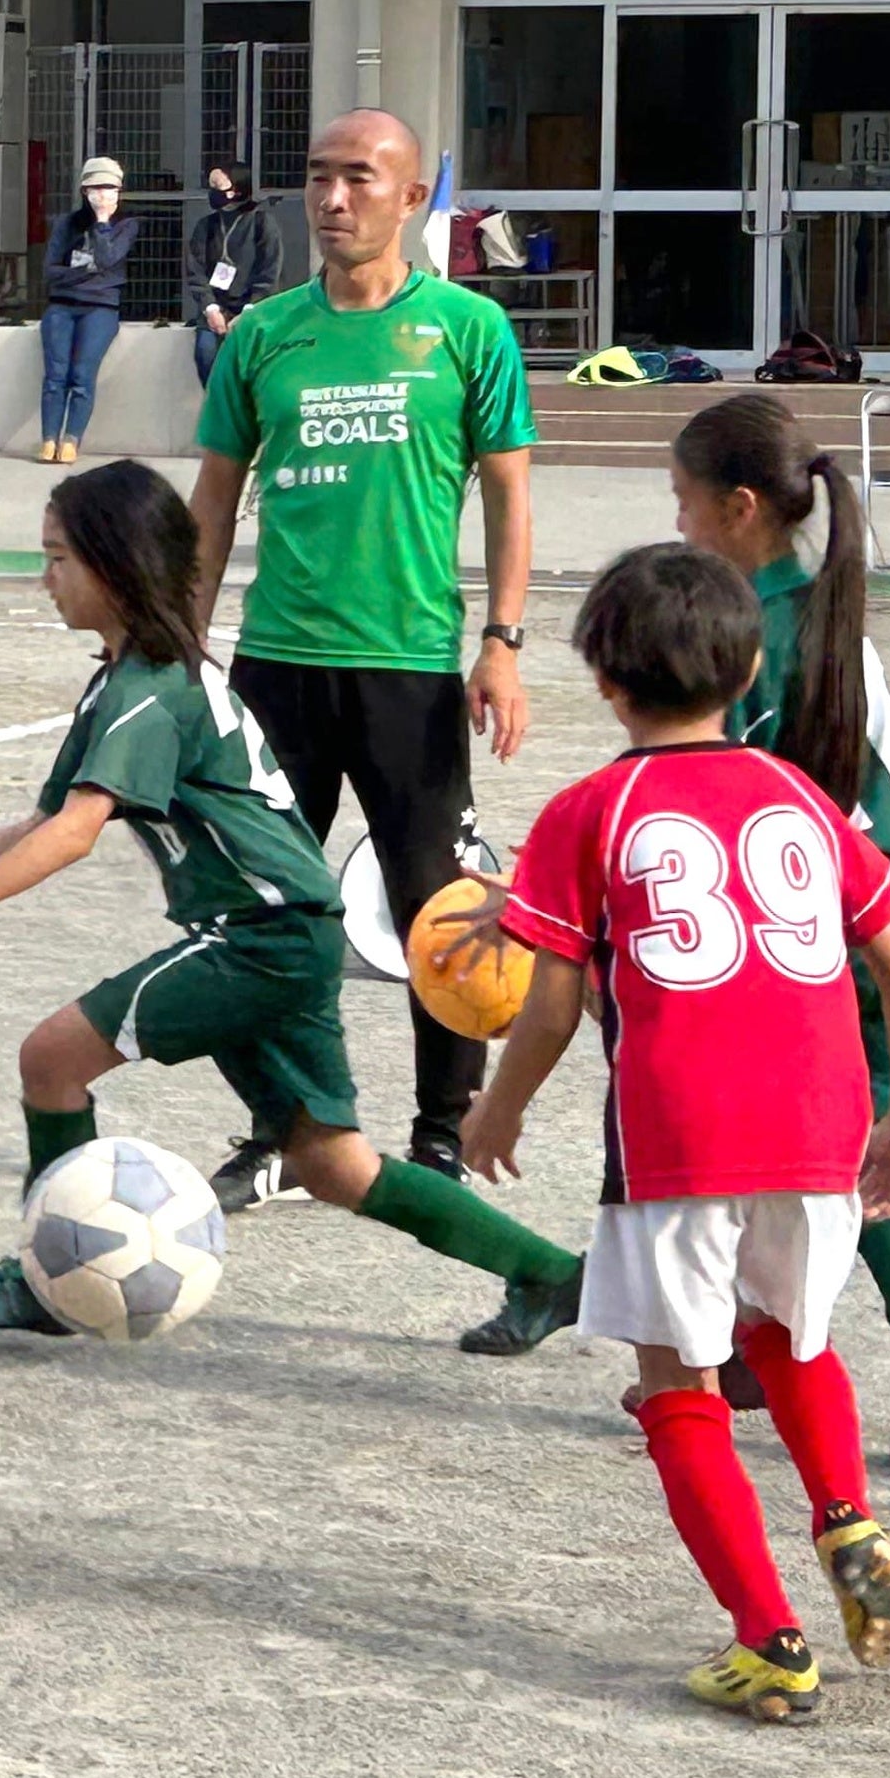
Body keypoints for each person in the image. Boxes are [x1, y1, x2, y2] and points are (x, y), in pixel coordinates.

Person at [0, 461, 582, 1351]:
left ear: (115, 566)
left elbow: (74, 834)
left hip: (257, 936)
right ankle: (549, 1272)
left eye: (58, 558)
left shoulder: (148, 689)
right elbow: (49, 819)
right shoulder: (134, 676)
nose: (44, 578)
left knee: (50, 1059)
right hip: (290, 930)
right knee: (331, 1162)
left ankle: (46, 1282)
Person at [461, 541, 890, 1726]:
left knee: (677, 1380)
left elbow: (554, 1006)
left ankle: (770, 1641)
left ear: (603, 679)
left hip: (680, 1137)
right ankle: (846, 1517)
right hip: (818, 1124)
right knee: (790, 1332)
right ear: (750, 668)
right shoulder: (801, 797)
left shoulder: (590, 810)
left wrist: (498, 1106)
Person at [187, 108, 535, 1222]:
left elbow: (509, 493)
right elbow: (213, 498)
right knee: (272, 910)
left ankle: (441, 1134)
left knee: (440, 910)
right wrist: (183, 645)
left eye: (360, 179)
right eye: (317, 177)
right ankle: (289, 1132)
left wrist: (502, 641)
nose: (333, 200)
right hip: (277, 665)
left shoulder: (469, 329)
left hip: (410, 668)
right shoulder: (264, 335)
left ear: (412, 197)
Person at [671, 392, 890, 1485]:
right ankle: (747, 1356)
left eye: (685, 502)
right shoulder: (826, 607)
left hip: (836, 932)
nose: (678, 524)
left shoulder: (745, 642)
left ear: (741, 507)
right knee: (806, 1161)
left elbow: (731, 809)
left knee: (855, 1179)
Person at [34, 156, 139, 463]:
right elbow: (50, 271)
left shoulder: (126, 225)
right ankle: (48, 439)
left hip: (100, 308)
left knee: (82, 375)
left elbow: (108, 259)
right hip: (61, 306)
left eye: (110, 188)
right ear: (84, 191)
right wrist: (86, 272)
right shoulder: (67, 224)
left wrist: (103, 222)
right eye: (96, 188)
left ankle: (71, 439)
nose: (102, 194)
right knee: (55, 375)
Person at [187, 160, 278, 387]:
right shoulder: (206, 225)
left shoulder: (261, 222)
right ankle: (217, 402)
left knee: (250, 363)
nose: (213, 193)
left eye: (219, 187)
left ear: (236, 189)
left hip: (251, 308)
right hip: (215, 307)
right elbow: (195, 270)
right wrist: (210, 307)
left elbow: (269, 270)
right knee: (206, 354)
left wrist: (251, 308)